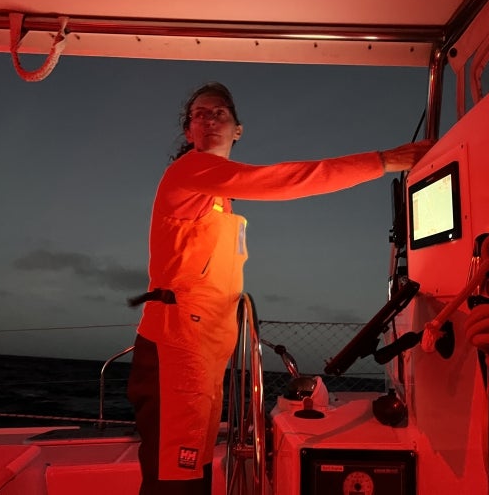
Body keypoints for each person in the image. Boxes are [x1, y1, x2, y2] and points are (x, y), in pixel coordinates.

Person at [127, 82, 432, 495]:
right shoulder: (191, 170)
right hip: (177, 348)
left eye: (220, 113)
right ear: (189, 132)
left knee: (191, 475)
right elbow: (287, 179)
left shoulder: (219, 197)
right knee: (173, 484)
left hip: (202, 352)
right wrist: (381, 162)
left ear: (238, 130)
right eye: (200, 114)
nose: (210, 119)